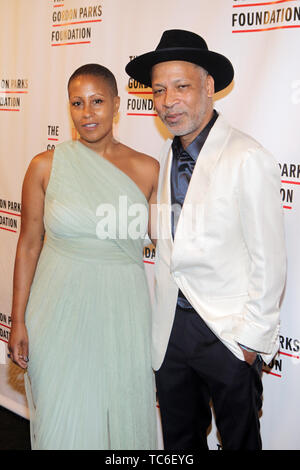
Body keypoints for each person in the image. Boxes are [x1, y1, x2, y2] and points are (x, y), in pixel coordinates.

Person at [125, 29, 286, 450]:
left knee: (239, 443)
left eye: (181, 87)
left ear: (208, 87)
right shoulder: (167, 154)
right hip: (171, 335)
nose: (167, 101)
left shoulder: (247, 157)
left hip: (226, 335)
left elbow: (270, 261)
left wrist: (248, 344)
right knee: (180, 443)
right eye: (159, 91)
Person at [8, 63, 158, 450]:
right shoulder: (45, 166)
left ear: (117, 105)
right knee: (61, 420)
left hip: (122, 313)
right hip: (56, 312)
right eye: (77, 103)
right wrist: (19, 320)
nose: (87, 113)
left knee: (118, 421)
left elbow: (175, 250)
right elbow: (27, 244)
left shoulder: (147, 169)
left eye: (97, 102)